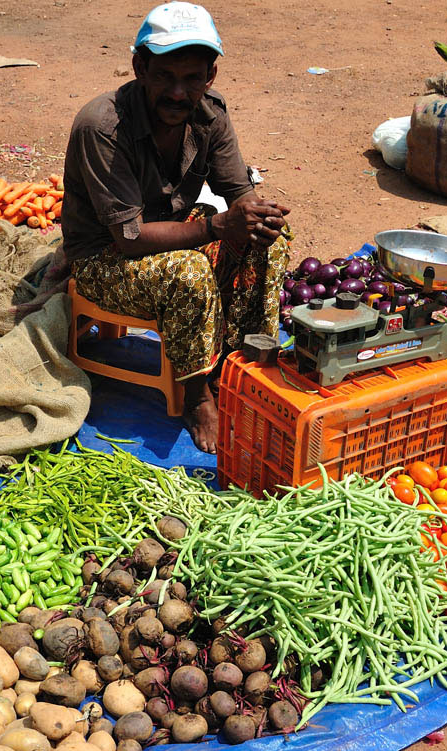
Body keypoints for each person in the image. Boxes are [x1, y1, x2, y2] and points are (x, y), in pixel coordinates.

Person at [61, 2, 292, 453]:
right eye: (165, 76)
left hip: (171, 231)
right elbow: (128, 240)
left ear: (211, 76)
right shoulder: (103, 127)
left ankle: (239, 362)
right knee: (188, 273)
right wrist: (220, 227)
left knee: (270, 243)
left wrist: (254, 217)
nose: (178, 92)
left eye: (192, 79)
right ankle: (195, 394)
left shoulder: (211, 113)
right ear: (140, 67)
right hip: (103, 256)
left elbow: (235, 188)